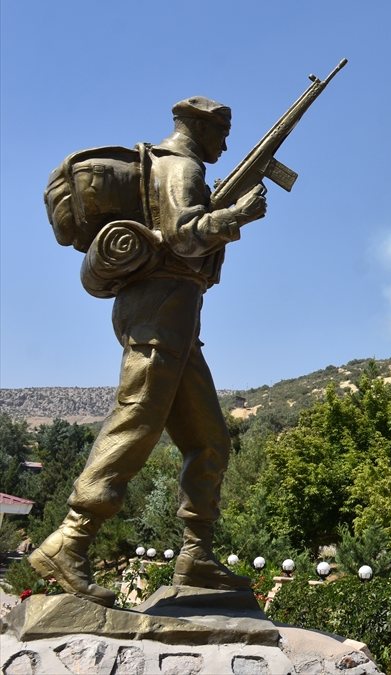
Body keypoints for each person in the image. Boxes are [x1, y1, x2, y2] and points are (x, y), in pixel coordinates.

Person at [30, 97, 268, 606]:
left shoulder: (167, 166)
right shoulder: (182, 168)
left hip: (175, 314)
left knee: (209, 441)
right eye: (221, 133)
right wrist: (238, 214)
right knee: (137, 419)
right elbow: (184, 238)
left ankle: (196, 557)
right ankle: (70, 539)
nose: (225, 145)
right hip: (161, 311)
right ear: (200, 127)